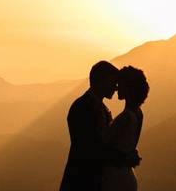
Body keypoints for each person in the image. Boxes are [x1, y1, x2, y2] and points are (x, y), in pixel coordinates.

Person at [59, 61, 140, 191]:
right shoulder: (81, 107)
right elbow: (91, 148)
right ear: (103, 80)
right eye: (113, 82)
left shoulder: (101, 109)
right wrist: (124, 157)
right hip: (81, 182)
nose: (116, 88)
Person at [101, 66, 149, 191]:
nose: (117, 88)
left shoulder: (125, 118)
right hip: (127, 176)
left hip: (116, 179)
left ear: (128, 88)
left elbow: (102, 146)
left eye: (120, 84)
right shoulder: (138, 113)